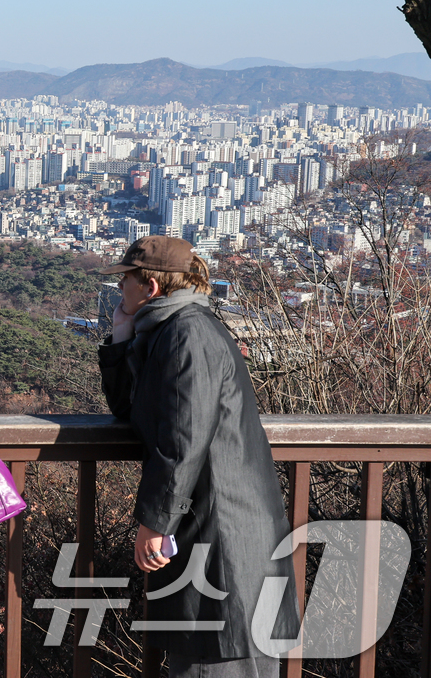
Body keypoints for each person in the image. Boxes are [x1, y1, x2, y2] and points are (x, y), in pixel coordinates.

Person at [98, 235, 299, 678]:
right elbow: (129, 410)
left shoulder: (187, 335)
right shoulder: (172, 329)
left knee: (215, 662)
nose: (120, 290)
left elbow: (182, 440)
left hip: (224, 537)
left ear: (150, 287)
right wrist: (120, 338)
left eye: (125, 281)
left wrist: (154, 523)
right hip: (217, 528)